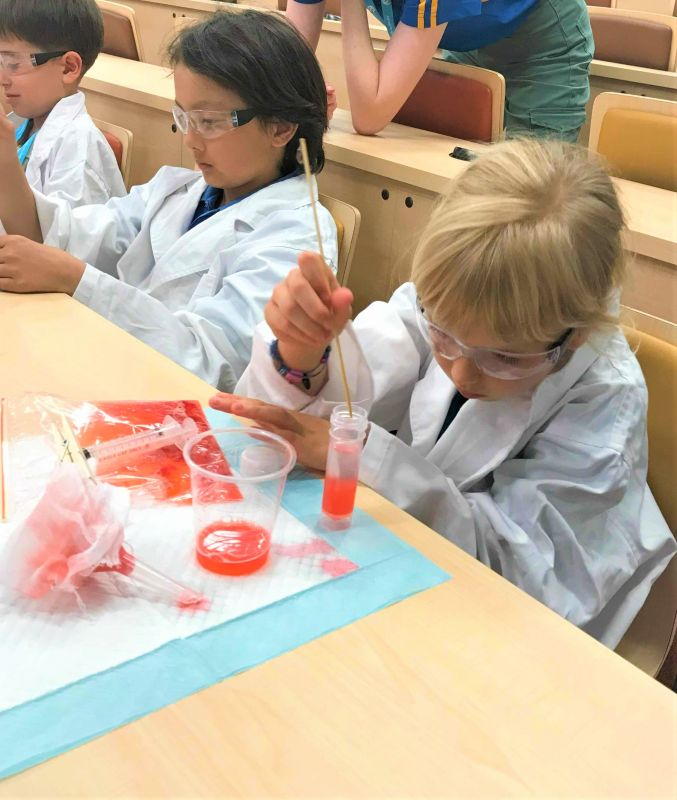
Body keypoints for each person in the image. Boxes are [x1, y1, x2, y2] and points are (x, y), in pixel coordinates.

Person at [211, 139, 676, 648]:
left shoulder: (604, 403)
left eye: (504, 357)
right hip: (421, 568)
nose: (461, 372)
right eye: (444, 337)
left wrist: (365, 455)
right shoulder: (446, 301)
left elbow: (517, 575)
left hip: (540, 627)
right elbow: (347, 394)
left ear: (578, 332)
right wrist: (303, 359)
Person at [0, 10, 337, 391]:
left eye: (209, 121)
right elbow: (61, 234)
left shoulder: (297, 237)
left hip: (184, 417)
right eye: (184, 117)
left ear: (280, 126)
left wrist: (77, 280)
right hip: (113, 371)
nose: (190, 139)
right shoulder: (178, 190)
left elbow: (219, 366)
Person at [287, 0, 593, 141]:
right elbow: (282, 59)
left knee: (530, 195)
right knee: (453, 163)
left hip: (541, 39)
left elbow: (369, 116)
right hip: (465, 28)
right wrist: (294, 101)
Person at [0, 0, 126, 209]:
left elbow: (58, 237)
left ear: (68, 68)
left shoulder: (79, 153)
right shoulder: (24, 122)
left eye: (13, 64)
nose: (2, 78)